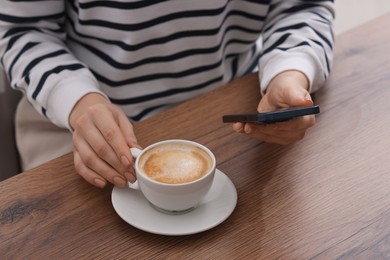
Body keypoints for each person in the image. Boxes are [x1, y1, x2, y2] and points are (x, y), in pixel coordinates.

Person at [0, 0, 335, 188]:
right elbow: (22, 30)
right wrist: (76, 100)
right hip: (82, 124)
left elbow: (302, 8)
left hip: (240, 108)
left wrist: (290, 71)